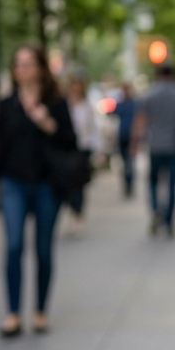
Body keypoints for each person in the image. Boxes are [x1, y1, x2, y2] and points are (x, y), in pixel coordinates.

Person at [0, 46, 77, 337]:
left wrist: (46, 121)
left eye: (28, 64)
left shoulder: (56, 103)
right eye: (18, 65)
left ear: (40, 68)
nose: (22, 70)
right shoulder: (7, 104)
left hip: (47, 183)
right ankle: (12, 313)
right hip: (13, 184)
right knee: (13, 246)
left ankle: (40, 311)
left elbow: (70, 142)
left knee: (43, 250)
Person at [132, 63, 175, 237]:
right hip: (174, 144)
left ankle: (156, 211)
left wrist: (134, 143)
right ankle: (169, 220)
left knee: (153, 182)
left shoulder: (150, 94)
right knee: (172, 184)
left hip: (154, 144)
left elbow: (141, 120)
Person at [64, 75, 102, 235]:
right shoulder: (64, 105)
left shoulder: (86, 107)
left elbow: (93, 129)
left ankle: (78, 215)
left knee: (79, 184)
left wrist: (98, 151)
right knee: (67, 184)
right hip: (66, 149)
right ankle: (73, 210)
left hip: (82, 148)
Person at [115, 82, 138, 198]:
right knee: (125, 162)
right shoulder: (120, 104)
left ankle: (130, 184)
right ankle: (126, 183)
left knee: (130, 162)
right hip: (122, 136)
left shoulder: (135, 104)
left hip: (132, 137)